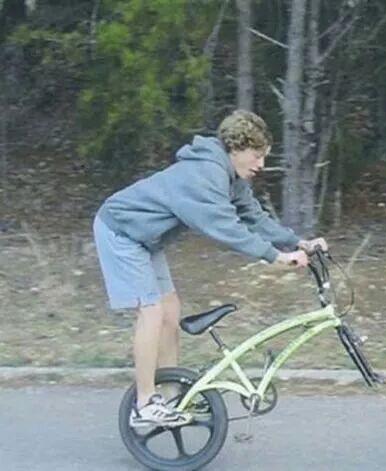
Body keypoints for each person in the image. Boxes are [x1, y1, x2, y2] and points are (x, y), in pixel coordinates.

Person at [93, 110, 327, 427]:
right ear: (237, 147)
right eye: (257, 155)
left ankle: (171, 395)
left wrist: (298, 242)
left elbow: (254, 218)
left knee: (170, 311)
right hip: (121, 232)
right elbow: (225, 227)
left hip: (145, 238)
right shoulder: (205, 174)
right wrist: (276, 256)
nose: (261, 164)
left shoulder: (231, 176)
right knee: (152, 311)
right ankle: (144, 403)